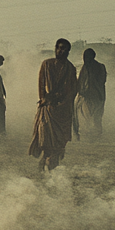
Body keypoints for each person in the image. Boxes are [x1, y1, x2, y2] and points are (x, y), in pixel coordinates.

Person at [29, 38, 78, 172]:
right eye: (59, 48)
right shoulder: (47, 64)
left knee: (59, 143)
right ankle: (46, 163)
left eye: (64, 49)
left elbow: (74, 89)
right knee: (46, 141)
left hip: (63, 111)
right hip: (48, 110)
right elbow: (41, 84)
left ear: (68, 51)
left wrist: (64, 101)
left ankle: (51, 167)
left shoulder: (71, 68)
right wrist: (44, 99)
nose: (60, 51)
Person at [75, 48, 108, 139]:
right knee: (85, 116)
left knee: (96, 116)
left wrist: (91, 89)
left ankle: (96, 135)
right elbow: (80, 81)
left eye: (87, 57)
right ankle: (87, 134)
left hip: (97, 96)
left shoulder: (100, 67)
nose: (85, 59)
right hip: (85, 97)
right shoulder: (84, 67)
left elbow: (101, 81)